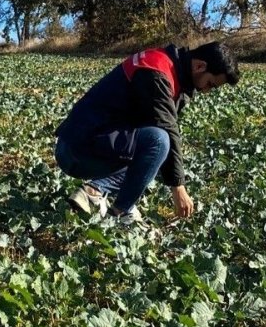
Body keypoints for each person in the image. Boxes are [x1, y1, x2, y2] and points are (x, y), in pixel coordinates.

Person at [54, 41, 239, 224]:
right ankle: (116, 210)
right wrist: (178, 187)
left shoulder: (170, 70)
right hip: (76, 150)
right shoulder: (157, 71)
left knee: (159, 155)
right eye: (211, 84)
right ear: (200, 66)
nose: (206, 91)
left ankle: (100, 194)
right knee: (159, 143)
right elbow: (167, 129)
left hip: (87, 143)